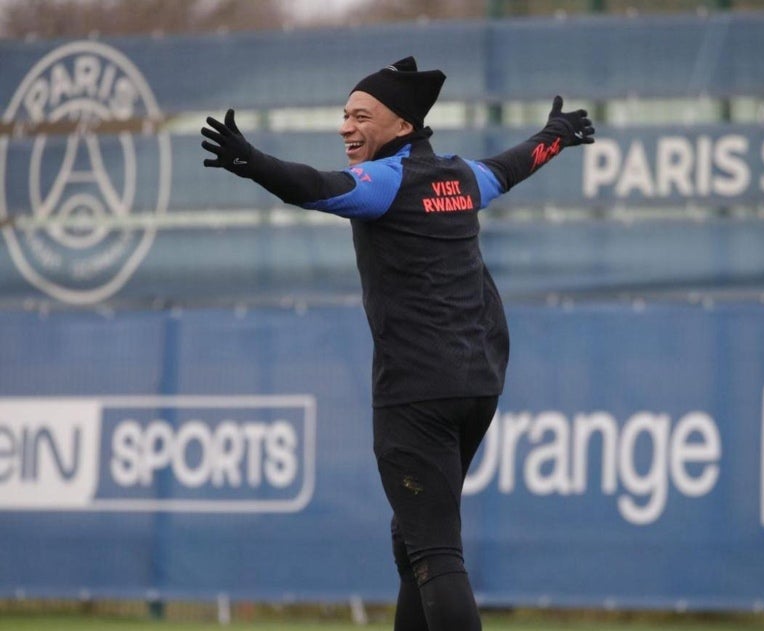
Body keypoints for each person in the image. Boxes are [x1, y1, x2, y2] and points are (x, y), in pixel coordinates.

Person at [201, 56, 595, 631]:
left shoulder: (385, 182)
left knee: (436, 553)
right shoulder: (462, 178)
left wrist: (253, 162)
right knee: (413, 539)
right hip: (478, 385)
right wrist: (554, 138)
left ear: (402, 127)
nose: (345, 126)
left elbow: (315, 187)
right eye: (344, 114)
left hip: (418, 393)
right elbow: (512, 167)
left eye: (361, 116)